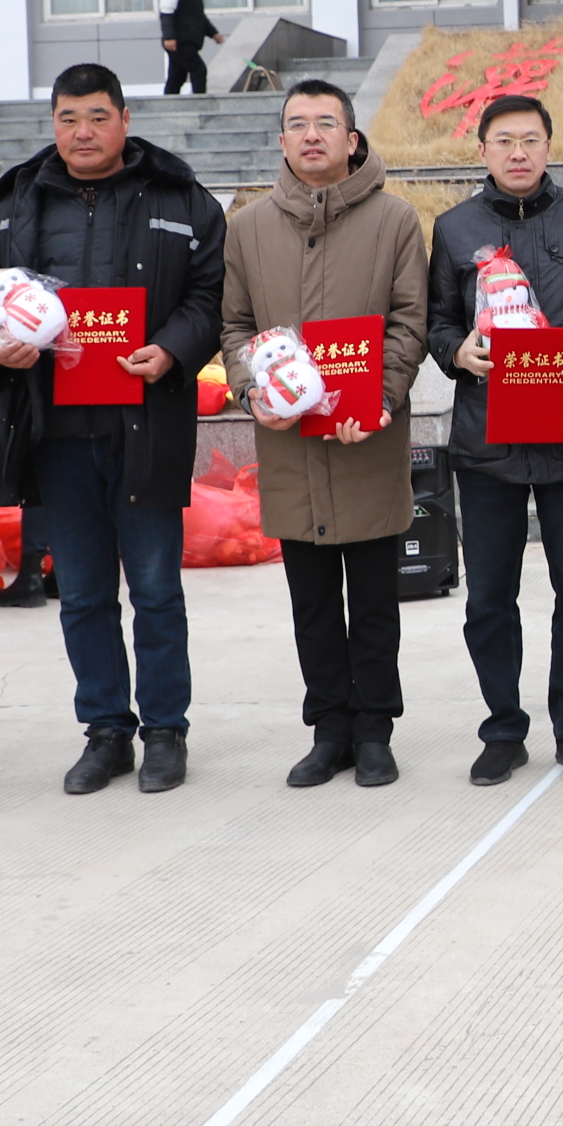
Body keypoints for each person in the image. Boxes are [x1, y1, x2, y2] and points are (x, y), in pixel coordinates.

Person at [0, 64, 230, 796]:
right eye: (68, 119)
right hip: (54, 433)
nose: (82, 132)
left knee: (156, 590)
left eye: (97, 117)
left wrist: (173, 348)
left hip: (144, 425)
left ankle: (165, 731)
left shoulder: (180, 198)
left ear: (124, 119)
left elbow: (213, 293)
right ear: (53, 123)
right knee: (82, 595)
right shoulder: (15, 204)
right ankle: (106, 731)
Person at [222, 79, 433, 790]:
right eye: (297, 124)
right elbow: (235, 326)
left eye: (325, 123)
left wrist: (381, 397)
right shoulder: (248, 228)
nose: (311, 135)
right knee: (311, 605)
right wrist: (253, 391)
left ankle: (374, 731)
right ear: (282, 140)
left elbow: (409, 322)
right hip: (290, 446)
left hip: (366, 440)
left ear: (351, 138)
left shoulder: (394, 220)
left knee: (374, 602)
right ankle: (328, 731)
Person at [423, 92, 563, 787]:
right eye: (503, 141)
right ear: (482, 150)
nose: (518, 152)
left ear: (548, 145)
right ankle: (503, 729)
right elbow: (437, 321)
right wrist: (458, 353)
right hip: (487, 441)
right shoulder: (454, 228)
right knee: (488, 599)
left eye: (530, 139)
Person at [158, 0, 221, 95]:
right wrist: (169, 36)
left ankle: (168, 104)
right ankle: (200, 102)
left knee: (177, 76)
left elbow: (198, 16)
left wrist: (213, 33)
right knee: (198, 69)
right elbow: (167, 11)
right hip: (180, 40)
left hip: (187, 40)